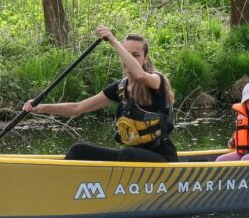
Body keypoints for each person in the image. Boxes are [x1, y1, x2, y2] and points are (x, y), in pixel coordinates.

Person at [22, 25, 177, 162]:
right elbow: (77, 108)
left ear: (145, 58)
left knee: (127, 154)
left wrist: (112, 40)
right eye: (125, 54)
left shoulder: (157, 80)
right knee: (78, 150)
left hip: (162, 159)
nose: (127, 59)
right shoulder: (120, 89)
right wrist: (41, 107)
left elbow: (140, 75)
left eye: (134, 55)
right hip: (131, 158)